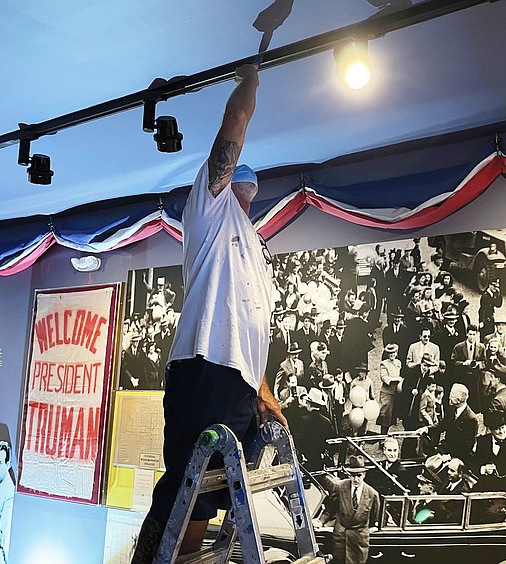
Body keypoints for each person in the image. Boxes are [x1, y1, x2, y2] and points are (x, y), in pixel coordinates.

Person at [131, 65, 287, 563]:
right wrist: (250, 83)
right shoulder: (209, 212)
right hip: (201, 366)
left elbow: (253, 329)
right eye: (239, 185)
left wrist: (264, 389)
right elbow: (231, 138)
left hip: (238, 379)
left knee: (210, 494)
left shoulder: (256, 248)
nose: (247, 193)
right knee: (186, 485)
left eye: (250, 191)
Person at [317, 455, 380, 564]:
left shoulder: (372, 494)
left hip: (359, 542)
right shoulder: (340, 487)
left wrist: (371, 529)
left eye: (359, 476)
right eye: (352, 475)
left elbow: (375, 519)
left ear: (364, 475)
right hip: (341, 540)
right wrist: (320, 521)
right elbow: (331, 509)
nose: (355, 479)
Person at [428, 383, 478, 459]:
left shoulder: (471, 419)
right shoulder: (451, 408)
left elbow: (467, 446)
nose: (449, 397)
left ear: (458, 400)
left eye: (451, 396)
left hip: (459, 455)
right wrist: (427, 429)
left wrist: (450, 456)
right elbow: (443, 424)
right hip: (446, 448)